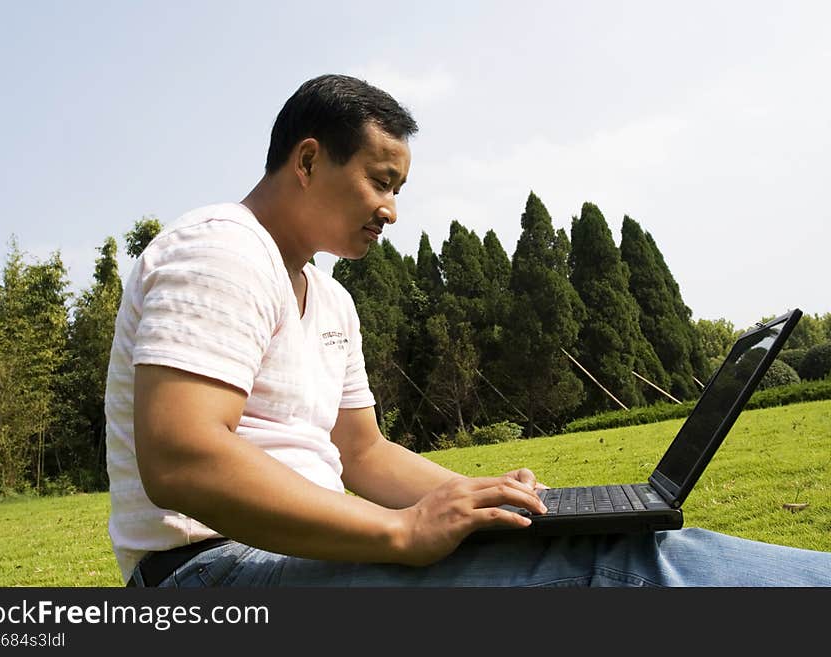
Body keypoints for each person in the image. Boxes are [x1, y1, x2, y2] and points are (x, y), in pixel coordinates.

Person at [107, 73, 831, 587]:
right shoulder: (220, 249)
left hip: (298, 551)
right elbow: (186, 459)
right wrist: (400, 530)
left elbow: (362, 452)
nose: (391, 210)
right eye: (380, 181)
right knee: (619, 571)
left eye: (399, 191)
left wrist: (482, 495)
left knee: (611, 540)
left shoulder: (330, 300)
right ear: (307, 159)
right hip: (211, 572)